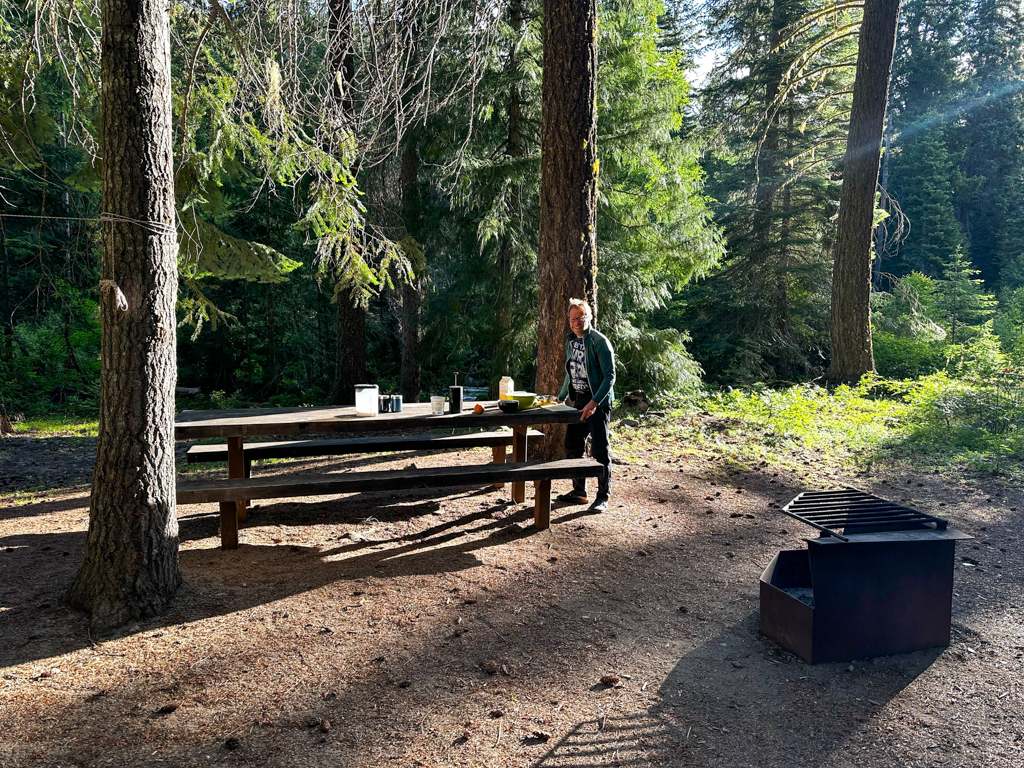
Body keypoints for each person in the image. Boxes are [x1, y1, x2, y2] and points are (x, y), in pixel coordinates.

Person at [556, 298, 615, 512]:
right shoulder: (571, 341)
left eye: (579, 318)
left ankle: (603, 497)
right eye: (572, 319)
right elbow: (570, 373)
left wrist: (594, 402)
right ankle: (579, 491)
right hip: (579, 401)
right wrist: (561, 397)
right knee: (572, 446)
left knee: (600, 449)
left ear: (587, 318)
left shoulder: (599, 341)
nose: (575, 323)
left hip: (598, 402)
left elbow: (610, 376)